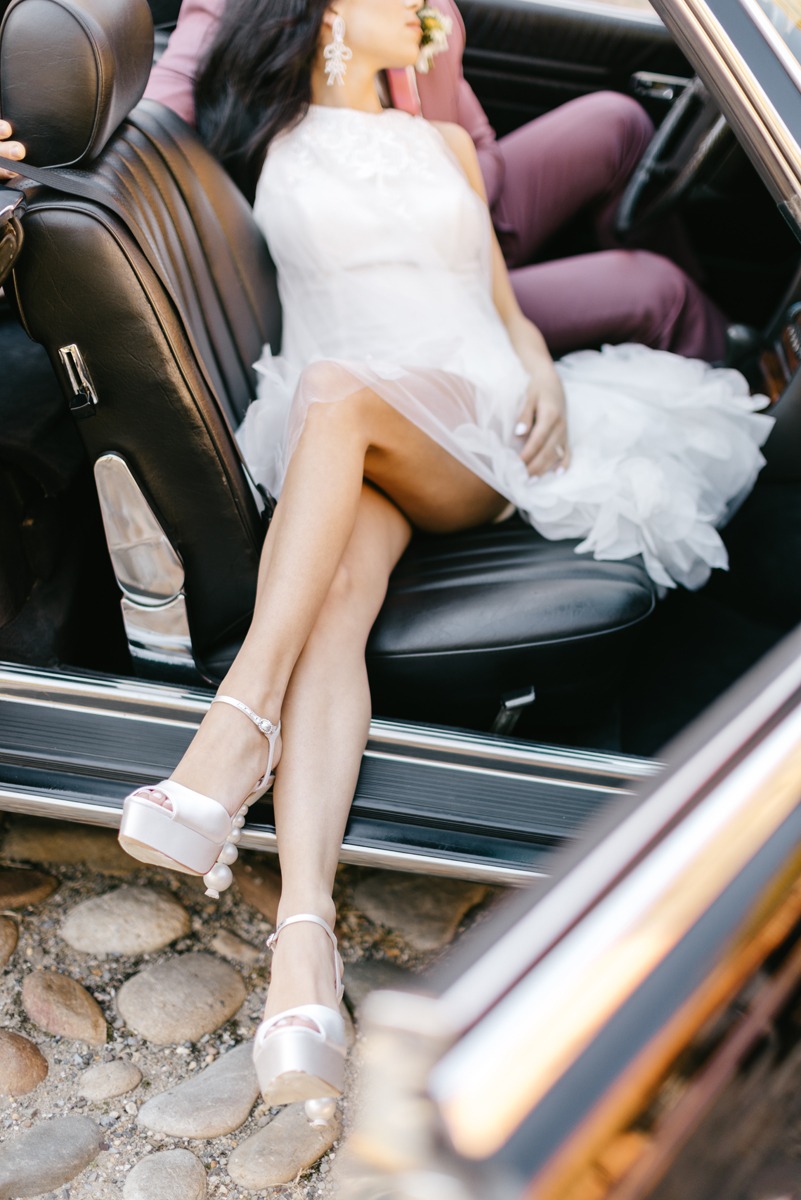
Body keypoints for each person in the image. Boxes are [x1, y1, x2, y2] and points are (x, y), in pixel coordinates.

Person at [115, 0, 770, 1114]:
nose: (427, 8)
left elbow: (498, 304)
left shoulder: (450, 142)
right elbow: (115, 111)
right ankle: (303, 962)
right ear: (325, 12)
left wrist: (545, 368)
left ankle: (233, 734)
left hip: (466, 427)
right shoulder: (254, 140)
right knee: (335, 600)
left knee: (337, 393)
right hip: (343, 438)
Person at [143, 0, 729, 359]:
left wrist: (468, 166)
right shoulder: (249, 10)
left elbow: (456, 99)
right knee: (659, 290)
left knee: (619, 121)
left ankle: (678, 320)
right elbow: (159, 121)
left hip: (465, 187)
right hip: (405, 260)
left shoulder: (422, 11)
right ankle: (727, 365)